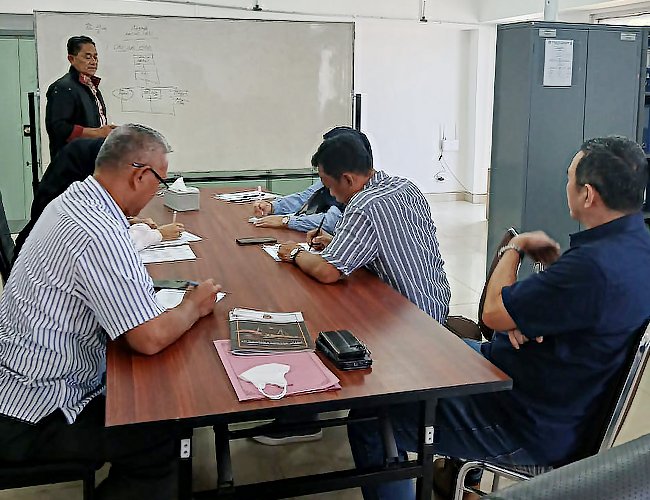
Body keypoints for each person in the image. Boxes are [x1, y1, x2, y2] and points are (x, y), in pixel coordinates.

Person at [346, 136, 650, 500]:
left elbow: (492, 313)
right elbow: (576, 314)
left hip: (522, 418)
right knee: (426, 349)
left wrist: (515, 247)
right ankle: (456, 477)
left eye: (569, 177)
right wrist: (527, 320)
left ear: (587, 194)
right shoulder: (636, 248)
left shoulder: (591, 267)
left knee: (371, 421)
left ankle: (452, 468)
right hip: (539, 384)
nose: (566, 185)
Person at [0, 124, 221, 500]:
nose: (157, 193)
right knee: (161, 432)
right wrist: (193, 306)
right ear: (140, 175)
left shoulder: (74, 200)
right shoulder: (100, 232)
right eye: (160, 183)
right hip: (37, 411)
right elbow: (148, 338)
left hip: (16, 381)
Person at [278, 133, 450, 323]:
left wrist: (295, 252)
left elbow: (327, 271)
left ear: (348, 180)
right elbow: (389, 244)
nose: (331, 194)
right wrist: (337, 243)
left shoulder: (363, 204)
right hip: (435, 305)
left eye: (330, 186)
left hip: (408, 321)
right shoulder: (406, 187)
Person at [12, 137, 183, 266]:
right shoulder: (78, 210)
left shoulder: (66, 196)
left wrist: (127, 221)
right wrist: (158, 234)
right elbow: (111, 246)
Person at [251, 126, 371, 234]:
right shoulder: (332, 178)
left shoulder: (365, 199)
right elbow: (305, 197)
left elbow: (334, 222)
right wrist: (273, 207)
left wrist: (287, 221)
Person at [45, 35, 116, 160]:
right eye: (87, 57)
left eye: (95, 57)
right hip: (72, 163)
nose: (93, 62)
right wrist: (98, 133)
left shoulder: (91, 87)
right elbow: (59, 128)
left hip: (91, 157)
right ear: (71, 59)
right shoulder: (63, 88)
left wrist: (107, 132)